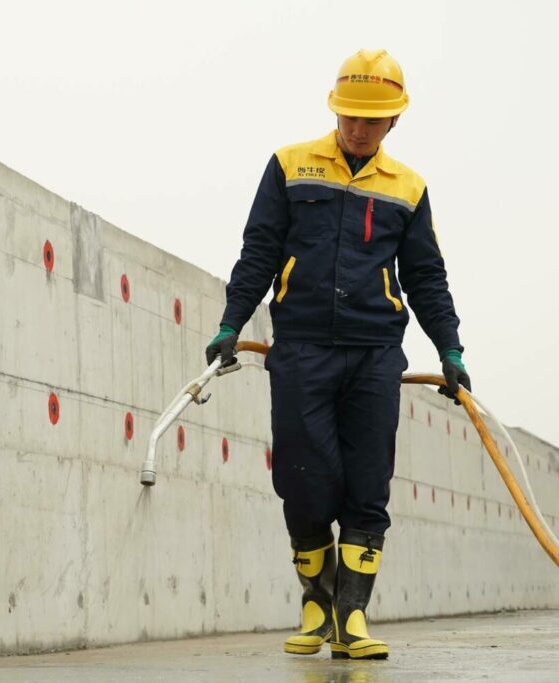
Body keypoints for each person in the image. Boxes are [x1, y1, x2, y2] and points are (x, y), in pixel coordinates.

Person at [205, 49, 471, 660]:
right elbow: (259, 252)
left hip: (375, 353)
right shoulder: (290, 166)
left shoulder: (408, 187)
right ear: (335, 108)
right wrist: (229, 323)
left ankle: (352, 615)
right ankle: (315, 603)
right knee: (301, 481)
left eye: (370, 120)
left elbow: (426, 278)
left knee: (367, 484)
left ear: (394, 122)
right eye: (349, 116)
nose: (357, 128)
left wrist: (450, 347)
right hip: (299, 349)